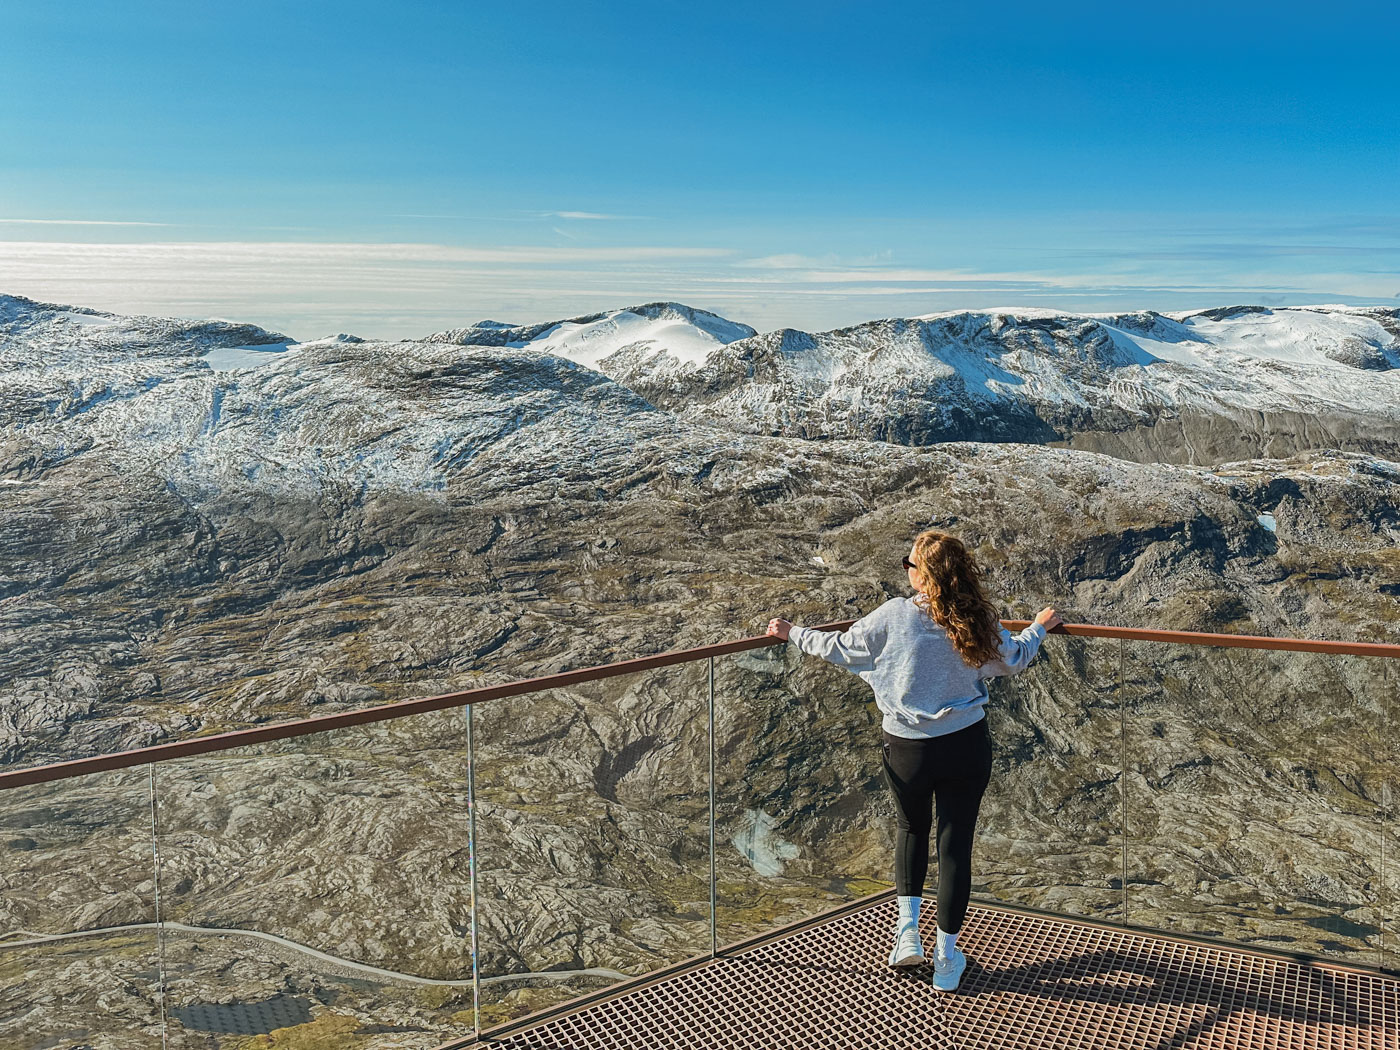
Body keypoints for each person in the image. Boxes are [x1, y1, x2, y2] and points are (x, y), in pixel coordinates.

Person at [766, 529, 1061, 992]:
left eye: (910, 564)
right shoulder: (975, 619)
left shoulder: (893, 616)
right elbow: (1015, 658)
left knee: (911, 830)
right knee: (954, 844)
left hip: (907, 749)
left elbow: (840, 649)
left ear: (921, 575)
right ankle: (946, 959)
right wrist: (1039, 626)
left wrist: (792, 633)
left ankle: (908, 937)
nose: (906, 571)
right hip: (965, 743)